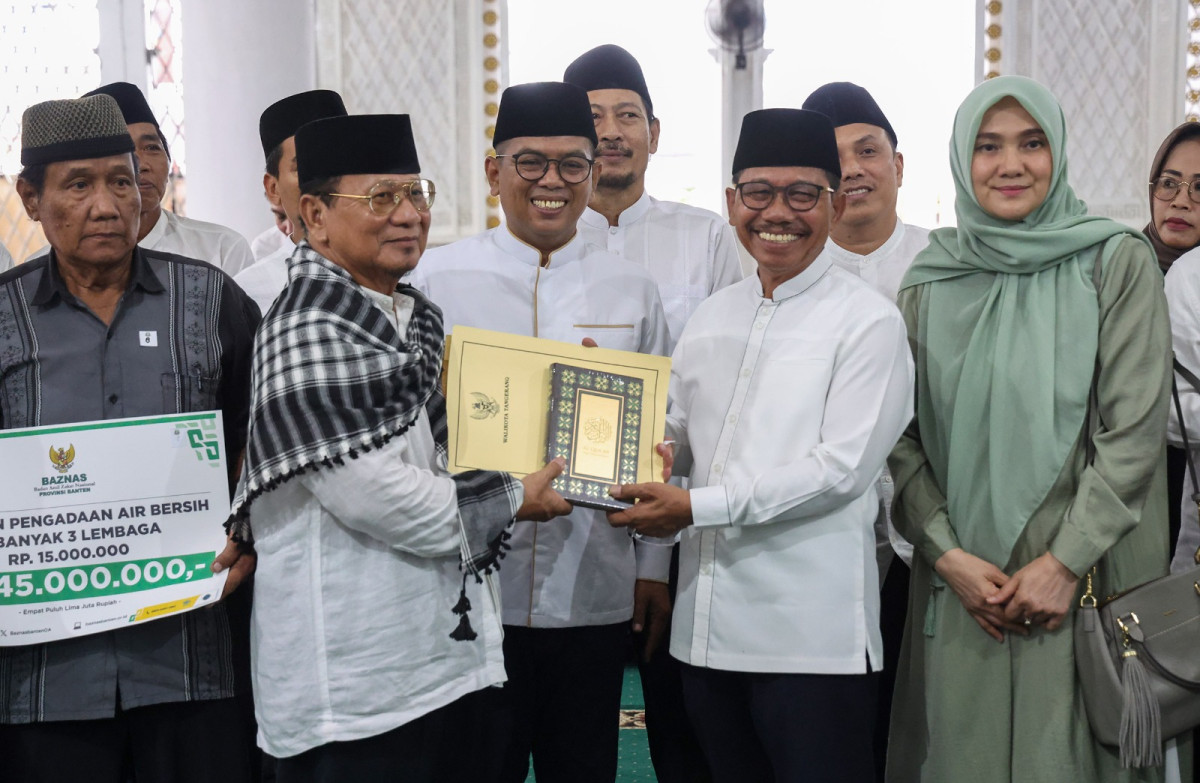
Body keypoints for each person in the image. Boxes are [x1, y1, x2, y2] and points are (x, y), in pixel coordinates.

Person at [225, 112, 572, 782]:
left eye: (416, 193)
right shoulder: (306, 329)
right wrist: (513, 496)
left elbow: (453, 448)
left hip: (441, 662)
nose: (410, 214)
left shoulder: (412, 319)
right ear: (315, 215)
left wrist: (562, 420)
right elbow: (380, 498)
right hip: (356, 689)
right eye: (381, 198)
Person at [608, 107, 914, 783]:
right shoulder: (713, 317)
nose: (778, 212)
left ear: (833, 204)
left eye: (802, 194)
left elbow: (839, 471)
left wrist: (693, 507)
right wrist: (620, 450)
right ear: (731, 202)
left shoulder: (869, 324)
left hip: (812, 646)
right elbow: (673, 435)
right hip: (705, 635)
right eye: (758, 192)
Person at [886, 76, 1170, 782]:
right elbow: (901, 439)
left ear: (1058, 152)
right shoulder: (929, 279)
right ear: (962, 159)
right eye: (988, 146)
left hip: (1085, 582)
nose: (1010, 165)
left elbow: (1134, 432)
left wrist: (1063, 562)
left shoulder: (1114, 261)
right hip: (967, 589)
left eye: (1031, 143)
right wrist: (948, 556)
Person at [411, 81, 670, 783]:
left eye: (571, 164)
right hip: (467, 587)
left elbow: (661, 435)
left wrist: (653, 568)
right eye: (530, 162)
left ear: (592, 170)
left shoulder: (632, 288)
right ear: (494, 170)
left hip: (592, 582)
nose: (551, 181)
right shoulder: (436, 279)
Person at [0, 93, 260, 782]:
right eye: (77, 185)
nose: (107, 205)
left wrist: (249, 528)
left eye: (122, 180)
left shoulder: (212, 300)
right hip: (47, 678)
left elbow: (265, 436)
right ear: (31, 197)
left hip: (192, 661)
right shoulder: (2, 315)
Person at [563, 43, 741, 783]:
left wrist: (657, 560)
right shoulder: (543, 244)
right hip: (566, 536)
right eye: (593, 118)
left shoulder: (708, 238)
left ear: (654, 134)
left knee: (683, 741)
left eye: (627, 115)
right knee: (571, 743)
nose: (611, 132)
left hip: (683, 530)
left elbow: (720, 397)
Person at [802, 79, 927, 781]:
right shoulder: (786, 277)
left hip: (927, 530)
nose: (853, 170)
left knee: (916, 717)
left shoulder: (946, 263)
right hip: (822, 534)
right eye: (835, 159)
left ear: (898, 165)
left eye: (868, 151)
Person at [82, 81, 254, 276]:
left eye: (152, 148)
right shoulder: (61, 262)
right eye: (124, 151)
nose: (142, 165)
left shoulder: (221, 248)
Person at [233, 89, 348, 314]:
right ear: (273, 188)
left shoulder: (395, 267)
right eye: (306, 167)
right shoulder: (248, 294)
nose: (328, 179)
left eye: (340, 161)